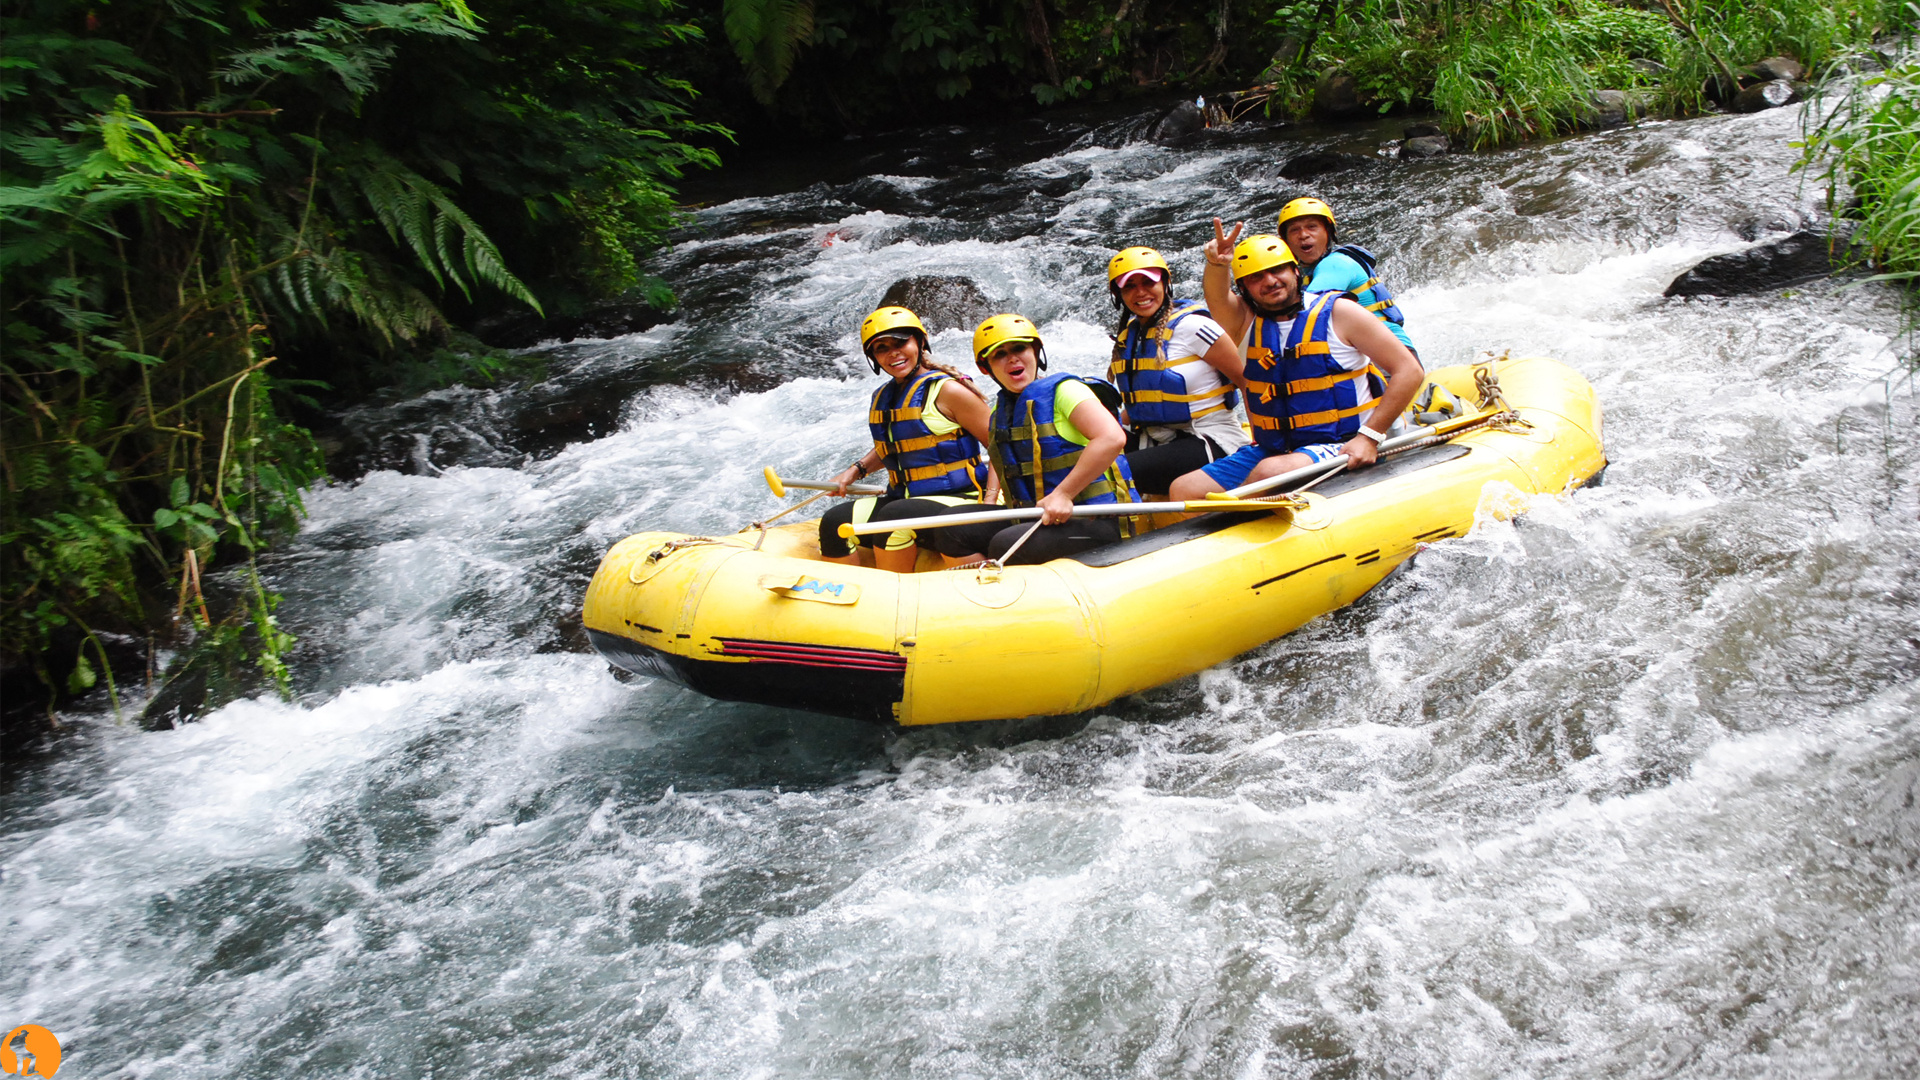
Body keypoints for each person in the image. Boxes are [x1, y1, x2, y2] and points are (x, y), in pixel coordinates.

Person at [1168, 224, 1423, 502]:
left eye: (1277, 270)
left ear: (1295, 272)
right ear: (1243, 289)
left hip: (1342, 443)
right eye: (1256, 277)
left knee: (1269, 472)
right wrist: (1217, 265)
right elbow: (1217, 299)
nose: (1269, 281)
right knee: (1185, 489)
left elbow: (1409, 370)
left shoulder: (1340, 312)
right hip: (1279, 448)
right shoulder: (1245, 324)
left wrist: (1369, 437)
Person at [931, 314, 1139, 566]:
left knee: (1006, 542)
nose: (1012, 358)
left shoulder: (1066, 391)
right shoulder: (1001, 412)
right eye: (999, 354)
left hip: (1095, 519)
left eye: (1019, 348)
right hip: (1036, 517)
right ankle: (982, 595)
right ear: (986, 368)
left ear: (1036, 352)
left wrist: (1063, 494)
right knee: (951, 528)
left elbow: (1111, 437)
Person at [819, 305, 997, 572]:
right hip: (903, 497)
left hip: (962, 497)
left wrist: (990, 502)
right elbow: (898, 445)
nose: (893, 354)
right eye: (882, 348)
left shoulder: (948, 391)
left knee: (895, 518)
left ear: (920, 342)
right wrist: (855, 471)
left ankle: (893, 602)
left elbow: (999, 445)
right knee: (835, 521)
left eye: (901, 342)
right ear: (873, 357)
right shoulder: (882, 396)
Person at [1103, 245, 1250, 497]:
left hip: (1209, 437)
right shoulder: (1130, 337)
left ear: (1166, 283)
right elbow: (1146, 401)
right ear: (1118, 294)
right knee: (1082, 462)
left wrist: (1264, 441)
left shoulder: (1195, 326)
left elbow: (1249, 382)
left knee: (1109, 473)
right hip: (1158, 439)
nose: (1141, 292)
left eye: (1148, 282)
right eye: (1129, 286)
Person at [1274, 197, 1418, 356]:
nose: (1303, 235)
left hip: (1390, 354)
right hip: (1360, 353)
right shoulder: (1305, 275)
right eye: (1294, 230)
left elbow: (1304, 311)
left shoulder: (1336, 264)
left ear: (1328, 232)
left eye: (1312, 227)